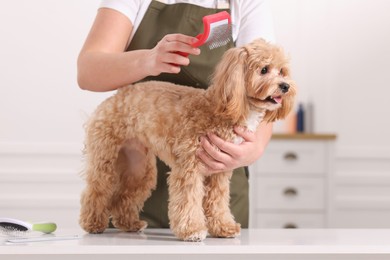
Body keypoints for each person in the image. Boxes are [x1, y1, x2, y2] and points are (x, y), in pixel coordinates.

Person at [77, 0, 275, 228]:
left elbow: (266, 93)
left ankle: (215, 216)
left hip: (220, 169)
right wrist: (147, 60)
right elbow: (87, 71)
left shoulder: (247, 3)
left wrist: (253, 148)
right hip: (137, 166)